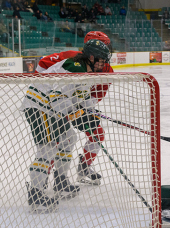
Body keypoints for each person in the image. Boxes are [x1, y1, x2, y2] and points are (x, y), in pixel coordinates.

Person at [20, 39, 111, 212]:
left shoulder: (86, 70)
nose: (104, 64)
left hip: (52, 109)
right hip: (40, 106)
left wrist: (88, 112)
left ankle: (60, 182)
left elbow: (79, 98)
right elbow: (56, 97)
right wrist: (76, 114)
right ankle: (35, 194)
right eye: (101, 59)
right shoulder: (74, 67)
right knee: (46, 149)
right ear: (91, 57)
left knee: (69, 137)